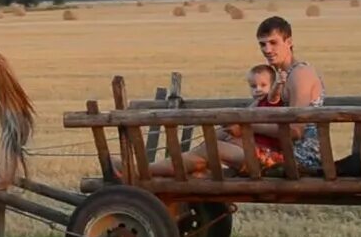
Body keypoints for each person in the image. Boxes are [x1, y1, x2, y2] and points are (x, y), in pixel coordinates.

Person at [110, 64, 284, 178]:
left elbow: (275, 94)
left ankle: (141, 171)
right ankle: (177, 167)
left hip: (265, 158)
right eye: (253, 86)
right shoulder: (257, 103)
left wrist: (279, 83)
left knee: (210, 148)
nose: (258, 90)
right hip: (255, 152)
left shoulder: (272, 99)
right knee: (217, 137)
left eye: (263, 85)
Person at [255, 16, 326, 173]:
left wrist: (249, 126)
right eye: (262, 44)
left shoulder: (300, 74)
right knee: (216, 147)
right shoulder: (281, 76)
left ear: (289, 42)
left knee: (214, 150)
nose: (267, 50)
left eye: (273, 43)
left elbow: (296, 131)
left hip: (301, 159)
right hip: (280, 151)